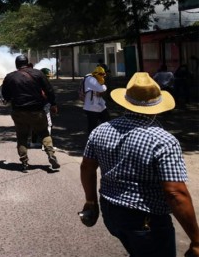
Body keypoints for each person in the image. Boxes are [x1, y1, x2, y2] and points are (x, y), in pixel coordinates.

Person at [80, 72, 199, 257]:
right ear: (158, 105)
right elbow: (175, 192)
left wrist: (91, 201)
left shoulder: (100, 130)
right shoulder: (163, 140)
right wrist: (196, 240)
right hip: (146, 221)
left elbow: (87, 167)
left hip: (110, 211)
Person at [1, 55, 60, 172]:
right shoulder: (38, 74)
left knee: (22, 137)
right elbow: (49, 90)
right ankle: (51, 155)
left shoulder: (10, 77)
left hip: (18, 112)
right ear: (27, 63)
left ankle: (24, 162)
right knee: (44, 133)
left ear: (16, 64)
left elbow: (5, 96)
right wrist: (53, 104)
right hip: (37, 110)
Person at [82, 66, 110, 134]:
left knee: (108, 123)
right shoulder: (90, 79)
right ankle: (91, 141)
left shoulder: (98, 79)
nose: (102, 76)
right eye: (101, 74)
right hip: (91, 108)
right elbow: (101, 89)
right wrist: (103, 86)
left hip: (100, 106)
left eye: (103, 75)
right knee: (92, 127)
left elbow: (101, 89)